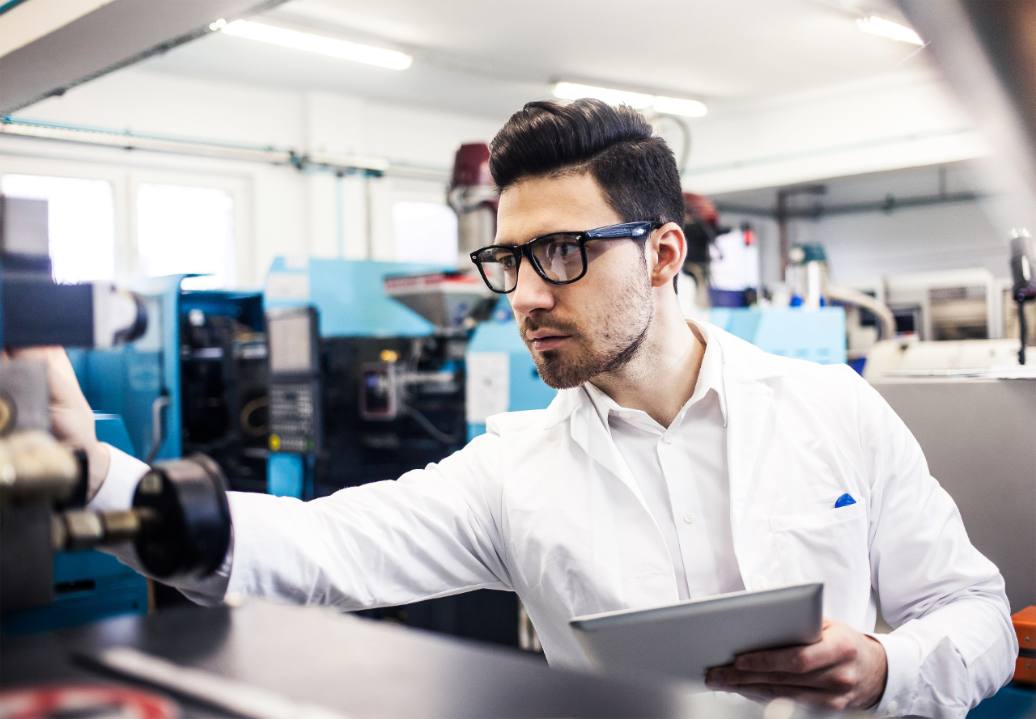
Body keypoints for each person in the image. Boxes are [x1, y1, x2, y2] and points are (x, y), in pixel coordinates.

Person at [35, 99, 1014, 717]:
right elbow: (310, 550)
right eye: (509, 258)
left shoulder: (831, 409)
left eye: (561, 252)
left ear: (664, 254)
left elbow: (975, 618)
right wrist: (94, 470)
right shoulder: (514, 470)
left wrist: (883, 665)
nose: (525, 295)